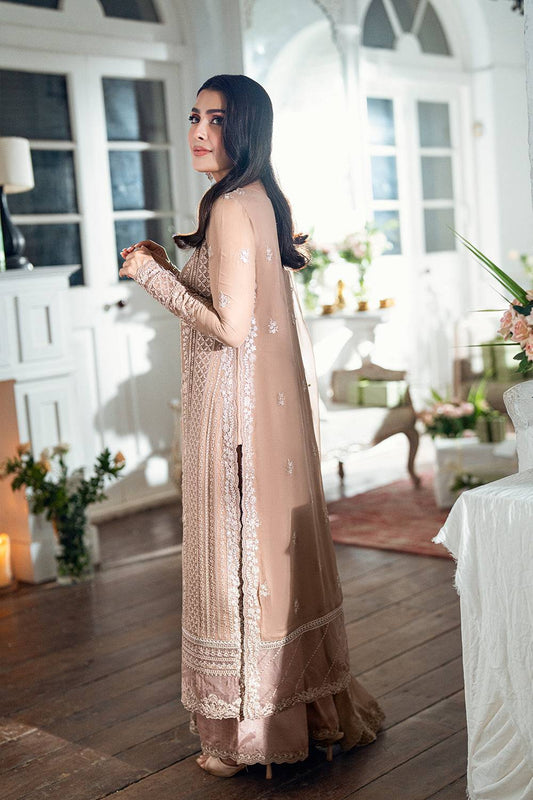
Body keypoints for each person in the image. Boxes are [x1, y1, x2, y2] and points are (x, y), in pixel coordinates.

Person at [119, 74, 384, 779]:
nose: (199, 131)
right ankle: (299, 713)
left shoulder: (233, 205)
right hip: (249, 408)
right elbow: (236, 299)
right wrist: (171, 266)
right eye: (195, 116)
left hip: (232, 415)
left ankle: (250, 733)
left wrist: (151, 278)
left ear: (246, 130)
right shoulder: (256, 197)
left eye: (217, 119)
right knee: (262, 564)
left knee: (232, 568)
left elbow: (232, 327)